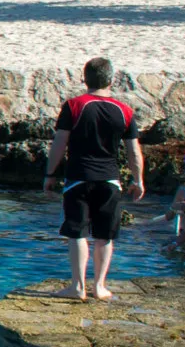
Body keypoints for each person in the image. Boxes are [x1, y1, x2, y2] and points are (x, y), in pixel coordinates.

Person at [44, 55, 144, 300]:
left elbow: (60, 142)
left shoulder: (74, 106)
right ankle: (99, 286)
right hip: (110, 180)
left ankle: (77, 287)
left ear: (84, 78)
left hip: (78, 178)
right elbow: (134, 151)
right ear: (111, 80)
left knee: (77, 233)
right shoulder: (125, 111)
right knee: (104, 235)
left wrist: (50, 174)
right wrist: (138, 179)